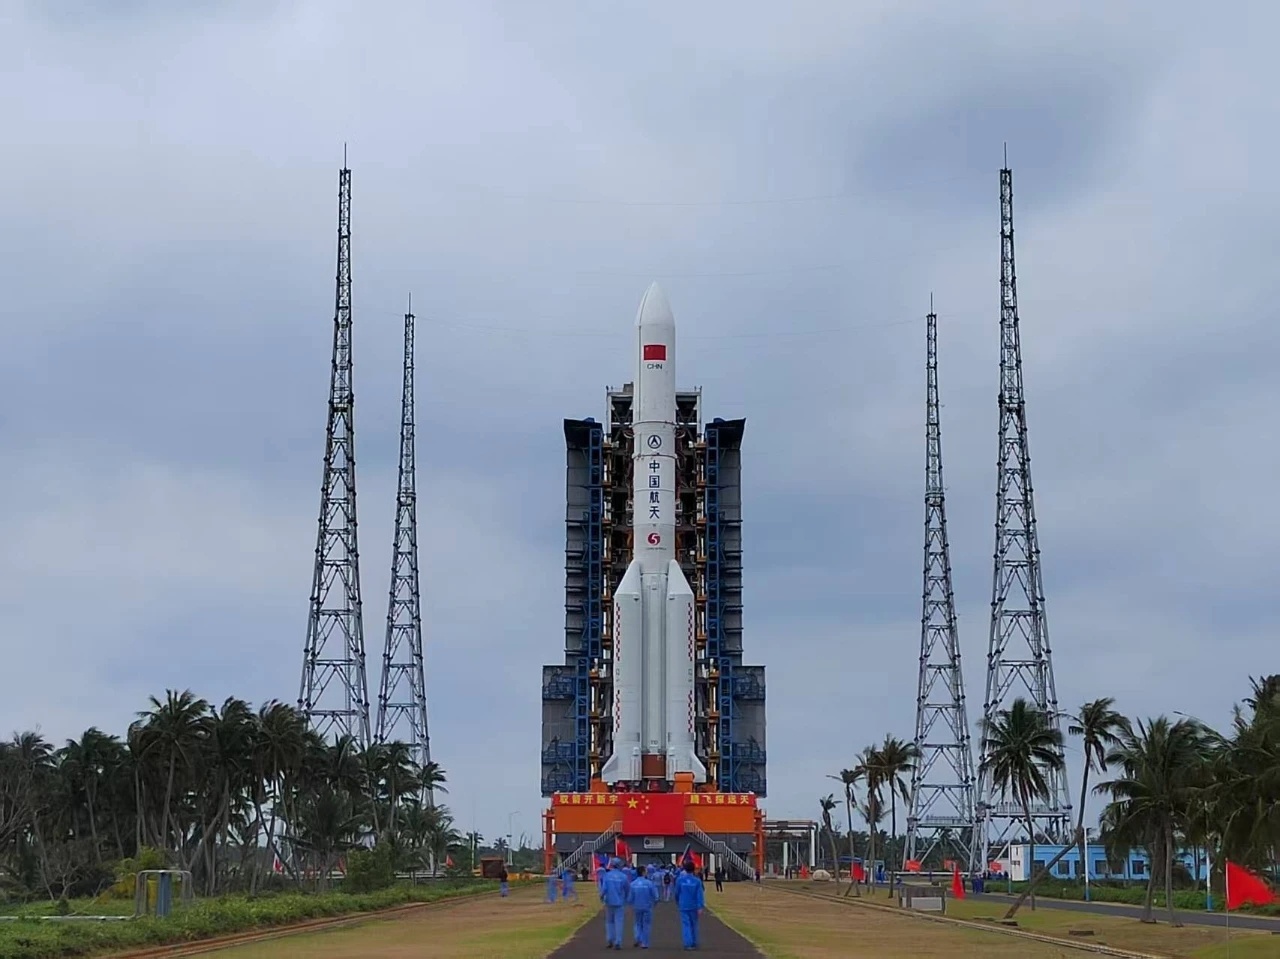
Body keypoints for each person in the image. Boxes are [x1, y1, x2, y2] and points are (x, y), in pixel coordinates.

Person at [674, 859, 706, 950]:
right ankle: (694, 942)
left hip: (684, 905)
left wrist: (677, 901)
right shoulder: (697, 881)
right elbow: (700, 895)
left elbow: (676, 892)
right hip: (694, 905)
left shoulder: (680, 880)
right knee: (694, 924)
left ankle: (688, 943)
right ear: (693, 869)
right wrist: (700, 906)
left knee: (686, 924)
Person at [600, 858, 630, 950]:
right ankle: (618, 941)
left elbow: (604, 889)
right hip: (619, 902)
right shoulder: (623, 876)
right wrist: (626, 899)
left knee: (609, 922)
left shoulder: (607, 875)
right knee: (619, 922)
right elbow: (627, 889)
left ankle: (610, 939)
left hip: (609, 901)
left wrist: (601, 897)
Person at [627, 866, 659, 949]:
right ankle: (645, 943)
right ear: (643, 872)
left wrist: (630, 904)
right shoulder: (649, 883)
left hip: (637, 906)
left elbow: (630, 898)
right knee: (646, 925)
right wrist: (655, 901)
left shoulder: (633, 884)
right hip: (647, 906)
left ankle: (638, 937)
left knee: (638, 923)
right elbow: (655, 895)